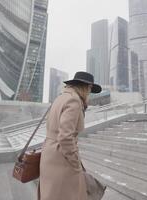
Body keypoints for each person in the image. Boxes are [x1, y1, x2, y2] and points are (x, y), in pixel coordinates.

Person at [39, 71, 102, 200]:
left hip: (50, 154)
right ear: (84, 87)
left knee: (52, 194)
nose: (90, 92)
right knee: (69, 195)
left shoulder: (61, 97)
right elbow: (65, 137)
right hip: (61, 159)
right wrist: (75, 163)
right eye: (90, 88)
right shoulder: (74, 101)